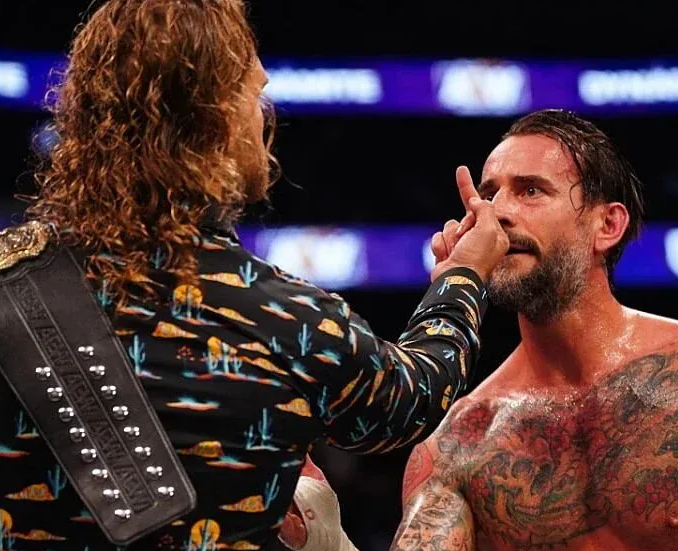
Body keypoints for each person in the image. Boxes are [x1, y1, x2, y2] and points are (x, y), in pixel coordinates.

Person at [0, 1, 509, 550]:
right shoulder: (289, 321)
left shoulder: (9, 275)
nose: (264, 112)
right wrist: (463, 275)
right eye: (253, 92)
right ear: (217, 119)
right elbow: (414, 397)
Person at [279, 109, 678, 551]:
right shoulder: (461, 444)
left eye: (530, 190)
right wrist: (327, 541)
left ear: (608, 225)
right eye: (489, 195)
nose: (499, 212)